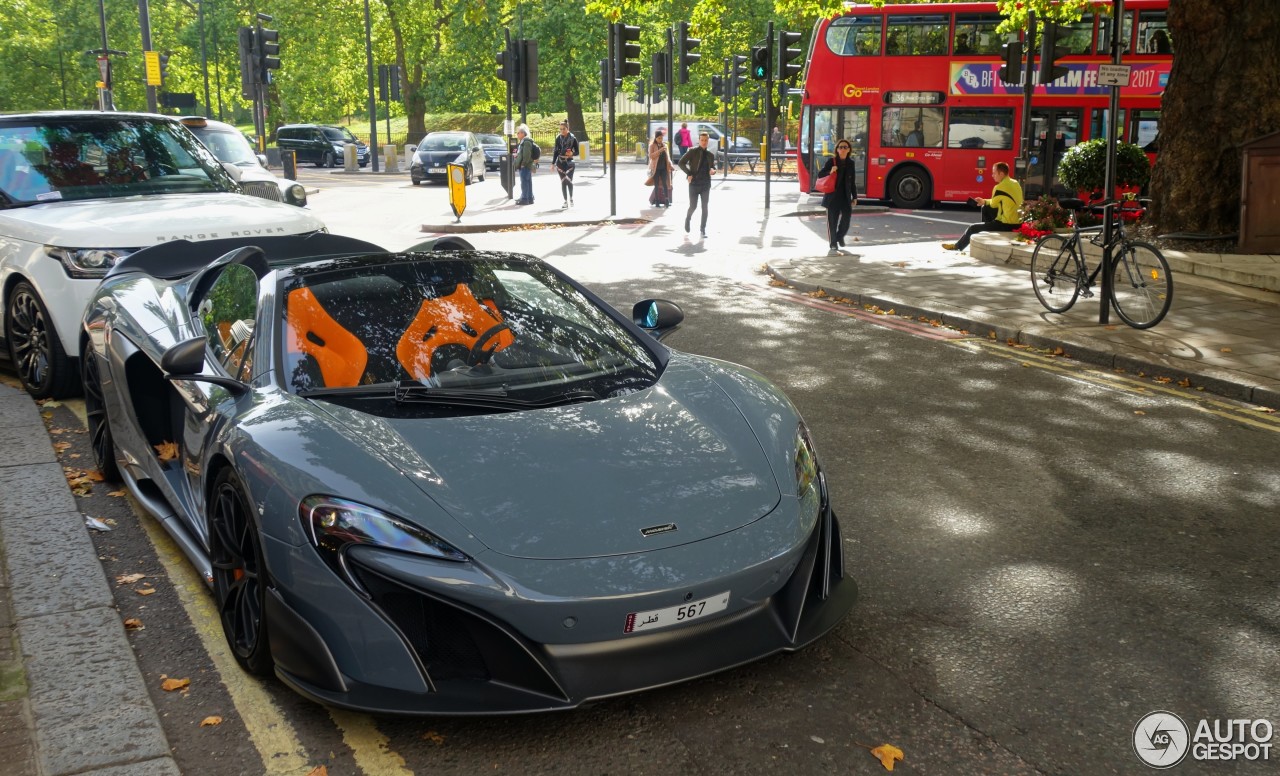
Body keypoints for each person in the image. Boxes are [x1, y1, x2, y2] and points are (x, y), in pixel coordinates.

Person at [943, 161, 1023, 252]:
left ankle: (957, 246)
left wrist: (984, 202)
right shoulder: (1015, 183)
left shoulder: (999, 187)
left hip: (1007, 225)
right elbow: (997, 202)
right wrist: (984, 201)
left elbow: (993, 205)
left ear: (1001, 173)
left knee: (972, 227)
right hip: (1018, 223)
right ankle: (986, 230)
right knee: (985, 206)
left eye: (994, 173)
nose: (992, 175)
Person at [816, 138, 859, 253]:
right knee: (832, 222)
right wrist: (830, 171)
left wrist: (855, 197)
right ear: (837, 150)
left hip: (845, 197)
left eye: (845, 147)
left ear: (849, 149)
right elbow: (820, 174)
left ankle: (840, 236)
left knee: (846, 220)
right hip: (832, 197)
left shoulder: (851, 163)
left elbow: (852, 182)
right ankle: (833, 243)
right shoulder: (832, 161)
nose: (843, 149)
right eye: (841, 147)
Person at [678, 131, 715, 238]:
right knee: (693, 206)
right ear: (699, 140)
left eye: (706, 140)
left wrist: (713, 170)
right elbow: (681, 163)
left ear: (708, 141)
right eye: (702, 140)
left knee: (705, 207)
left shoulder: (710, 155)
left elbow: (713, 167)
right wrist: (689, 173)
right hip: (694, 184)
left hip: (705, 184)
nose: (704, 142)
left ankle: (703, 229)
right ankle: (688, 219)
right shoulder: (692, 151)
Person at [553, 120, 579, 209]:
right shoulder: (558, 138)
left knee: (568, 180)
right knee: (563, 182)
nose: (562, 131)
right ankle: (565, 201)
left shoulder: (573, 138)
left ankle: (571, 198)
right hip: (560, 162)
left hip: (569, 162)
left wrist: (572, 153)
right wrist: (553, 163)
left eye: (564, 129)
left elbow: (577, 152)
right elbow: (556, 151)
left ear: (567, 129)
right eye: (560, 129)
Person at [648, 130, 674, 208]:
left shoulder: (664, 145)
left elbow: (668, 157)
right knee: (656, 185)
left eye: (661, 138)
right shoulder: (652, 146)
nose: (660, 139)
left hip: (664, 168)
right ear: (656, 138)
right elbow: (651, 156)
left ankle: (667, 200)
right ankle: (657, 201)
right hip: (655, 168)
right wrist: (659, 150)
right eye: (659, 138)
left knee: (665, 184)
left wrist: (670, 165)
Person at [514, 124, 535, 205]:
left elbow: (526, 155)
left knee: (524, 182)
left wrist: (523, 164)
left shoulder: (526, 142)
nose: (517, 134)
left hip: (525, 165)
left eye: (518, 133)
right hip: (526, 165)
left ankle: (525, 198)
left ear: (523, 133)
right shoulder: (524, 142)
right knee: (528, 182)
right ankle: (530, 198)